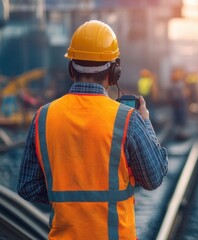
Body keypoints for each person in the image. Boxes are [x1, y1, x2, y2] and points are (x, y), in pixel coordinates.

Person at [17, 20, 168, 239]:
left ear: (71, 68)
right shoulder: (127, 119)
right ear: (114, 71)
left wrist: (67, 196)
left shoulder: (43, 117)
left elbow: (28, 187)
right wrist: (146, 122)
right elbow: (153, 178)